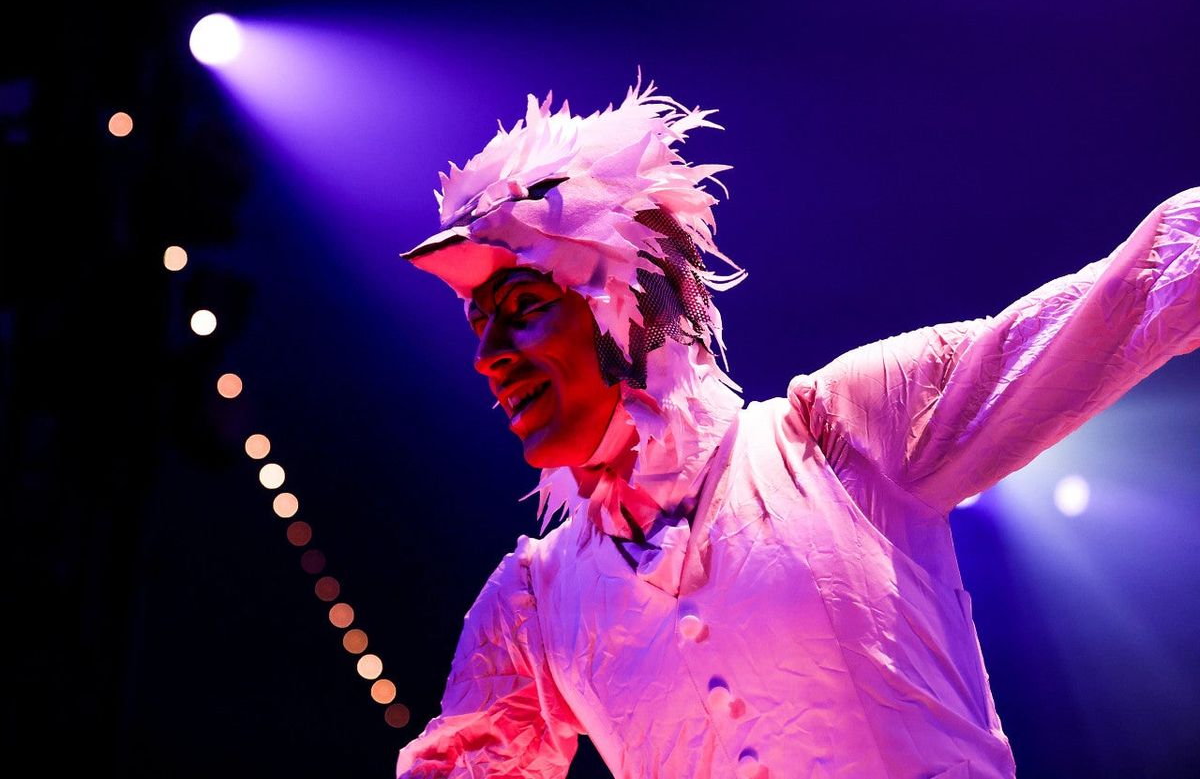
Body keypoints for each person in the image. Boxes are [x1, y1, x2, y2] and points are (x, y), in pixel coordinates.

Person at [394, 76, 1200, 779]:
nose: (489, 358)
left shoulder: (837, 434)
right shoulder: (535, 603)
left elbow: (1116, 303)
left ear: (629, 301)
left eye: (524, 307)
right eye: (479, 326)